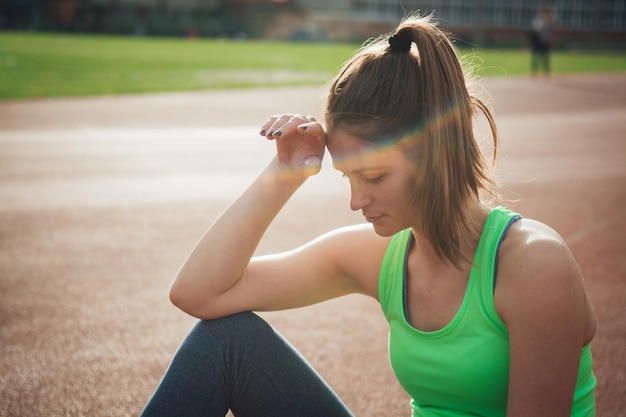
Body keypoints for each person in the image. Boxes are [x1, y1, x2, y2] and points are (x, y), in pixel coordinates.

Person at [141, 14, 596, 417]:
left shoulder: (535, 266)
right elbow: (197, 294)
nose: (357, 201)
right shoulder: (380, 257)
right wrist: (283, 173)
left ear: (435, 154)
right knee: (227, 344)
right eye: (347, 178)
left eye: (374, 176)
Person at [529, 5, 556, 76]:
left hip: (545, 42)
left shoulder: (550, 22)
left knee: (545, 58)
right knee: (535, 57)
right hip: (538, 42)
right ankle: (534, 71)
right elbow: (534, 31)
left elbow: (552, 32)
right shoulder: (538, 21)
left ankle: (546, 71)